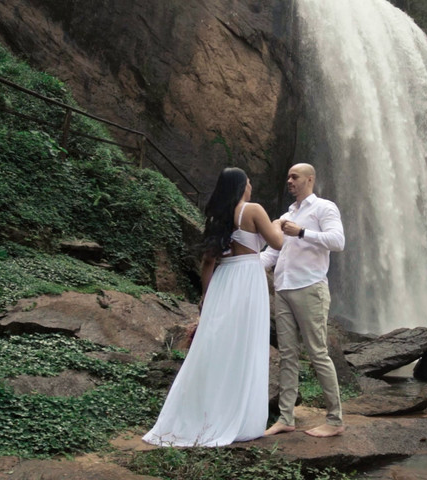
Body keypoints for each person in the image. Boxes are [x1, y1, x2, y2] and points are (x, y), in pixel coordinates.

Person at [143, 167, 283, 447]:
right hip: (247, 280)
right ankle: (240, 417)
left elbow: (208, 262)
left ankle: (202, 412)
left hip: (222, 281)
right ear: (241, 185)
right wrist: (278, 224)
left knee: (215, 345)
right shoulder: (253, 210)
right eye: (249, 181)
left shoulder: (216, 216)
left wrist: (206, 296)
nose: (252, 185)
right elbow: (277, 243)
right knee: (245, 345)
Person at [261, 163, 346, 438]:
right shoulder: (286, 215)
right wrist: (241, 264)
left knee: (317, 353)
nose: (289, 181)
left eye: (294, 177)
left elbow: (338, 241)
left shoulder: (324, 208)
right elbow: (272, 255)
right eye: (287, 176)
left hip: (310, 287)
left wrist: (301, 232)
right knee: (288, 356)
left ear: (310, 179)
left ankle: (335, 420)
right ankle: (286, 418)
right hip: (283, 290)